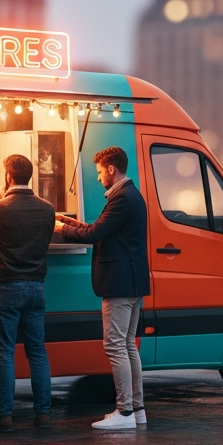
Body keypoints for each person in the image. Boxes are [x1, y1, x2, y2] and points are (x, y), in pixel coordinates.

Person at [55, 146, 151, 430]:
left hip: (119, 284)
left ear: (111, 169)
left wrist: (62, 230)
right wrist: (76, 224)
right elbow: (103, 229)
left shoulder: (122, 197)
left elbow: (96, 234)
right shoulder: (131, 196)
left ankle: (124, 413)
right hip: (132, 283)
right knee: (128, 347)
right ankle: (137, 409)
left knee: (115, 346)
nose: (98, 178)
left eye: (99, 172)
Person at [0, 154, 56, 432]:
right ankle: (44, 414)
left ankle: (3, 416)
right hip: (36, 286)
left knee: (4, 353)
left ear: (8, 177)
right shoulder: (47, 209)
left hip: (7, 286)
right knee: (37, 351)